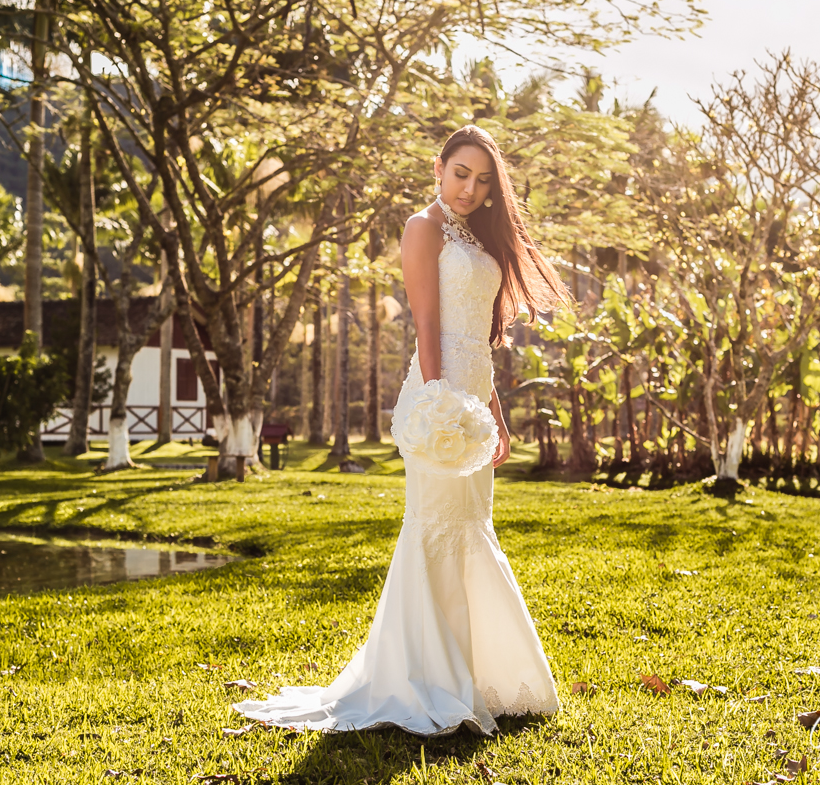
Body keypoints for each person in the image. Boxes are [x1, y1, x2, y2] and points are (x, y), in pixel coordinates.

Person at [232, 125, 569, 736]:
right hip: (437, 402)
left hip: (473, 396)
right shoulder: (424, 228)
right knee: (435, 528)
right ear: (438, 167)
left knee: (471, 528)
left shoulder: (477, 237)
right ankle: (426, 680)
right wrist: (440, 404)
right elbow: (428, 325)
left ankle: (476, 676)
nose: (469, 189)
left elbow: (479, 339)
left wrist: (493, 415)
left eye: (483, 180)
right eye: (460, 173)